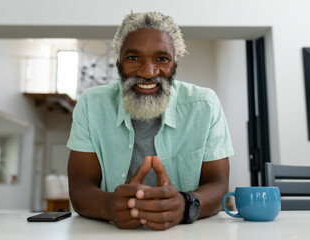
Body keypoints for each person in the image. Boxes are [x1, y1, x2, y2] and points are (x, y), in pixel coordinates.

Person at [67, 11, 234, 230]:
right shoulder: (91, 104)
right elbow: (80, 188)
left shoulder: (205, 105)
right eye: (133, 58)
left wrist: (185, 205)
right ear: (118, 63)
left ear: (175, 65)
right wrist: (109, 206)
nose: (148, 72)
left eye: (162, 59)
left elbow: (218, 185)